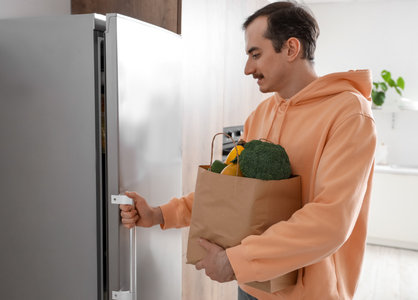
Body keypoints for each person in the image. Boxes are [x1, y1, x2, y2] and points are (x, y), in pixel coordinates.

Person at [120, 1, 377, 299]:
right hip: (252, 285)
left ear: (291, 49)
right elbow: (230, 193)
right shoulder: (261, 115)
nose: (247, 68)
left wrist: (234, 261)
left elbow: (330, 221)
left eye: (256, 54)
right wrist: (160, 214)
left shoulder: (349, 115)